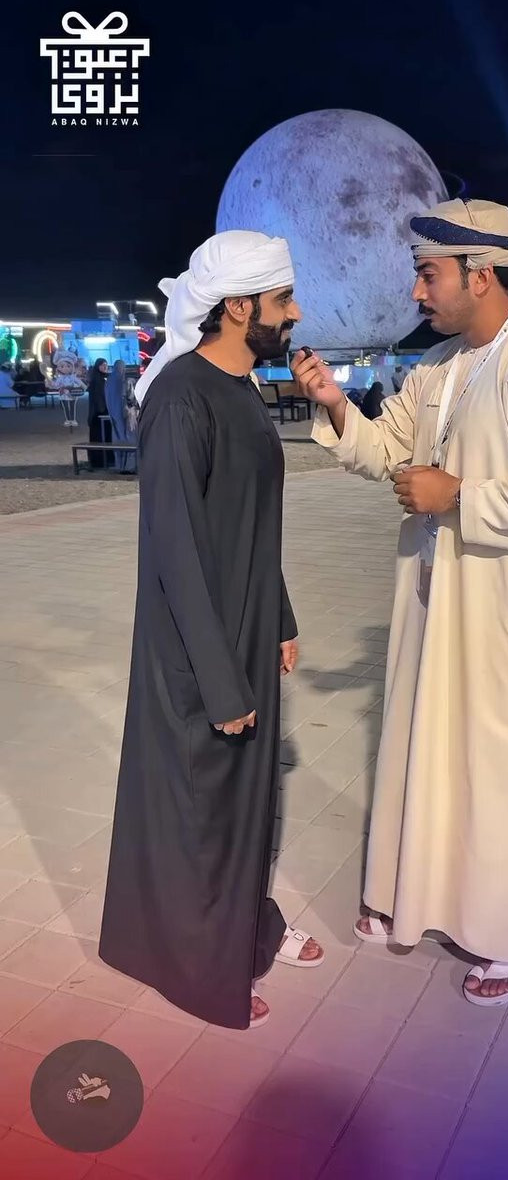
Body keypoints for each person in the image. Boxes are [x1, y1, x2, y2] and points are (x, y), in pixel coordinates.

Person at [292, 198, 508, 1006]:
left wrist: (459, 495)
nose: (416, 292)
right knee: (421, 750)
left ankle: (505, 940)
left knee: (501, 777)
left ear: (480, 275)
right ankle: (416, 900)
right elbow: (385, 451)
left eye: (427, 274)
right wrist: (335, 404)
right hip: (434, 603)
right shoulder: (436, 366)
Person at [99, 230, 324, 1031]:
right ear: (237, 307)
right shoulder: (181, 397)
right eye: (282, 300)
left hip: (245, 627)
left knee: (244, 803)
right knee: (204, 809)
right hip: (198, 646)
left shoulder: (241, 387)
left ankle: (244, 928)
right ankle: (200, 968)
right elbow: (176, 547)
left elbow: (250, 524)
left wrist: (279, 618)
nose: (294, 314)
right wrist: (222, 680)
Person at [105, 360, 136, 472]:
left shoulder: (109, 381)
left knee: (117, 437)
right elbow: (128, 398)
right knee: (128, 438)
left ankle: (119, 465)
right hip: (124, 415)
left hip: (113, 414)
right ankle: (128, 466)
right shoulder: (122, 381)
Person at [87, 358, 111, 469]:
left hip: (102, 414)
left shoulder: (104, 379)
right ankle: (99, 461)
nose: (105, 367)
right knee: (99, 437)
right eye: (102, 365)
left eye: (106, 365)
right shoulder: (97, 380)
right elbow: (98, 398)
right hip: (98, 415)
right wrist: (103, 410)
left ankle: (105, 460)